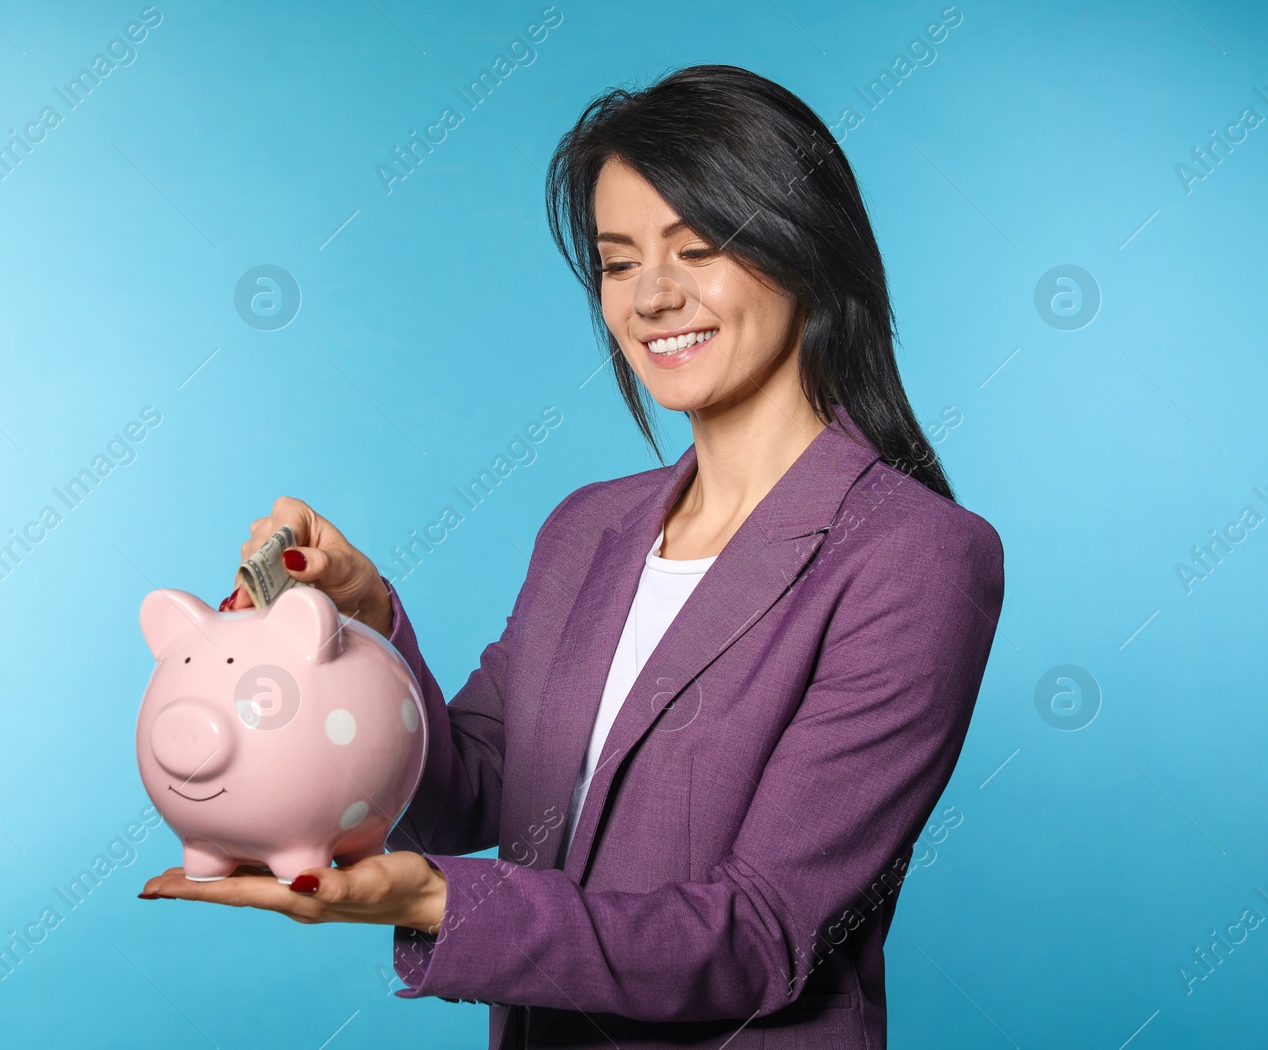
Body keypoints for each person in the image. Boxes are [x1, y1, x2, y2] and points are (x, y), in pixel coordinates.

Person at [141, 64, 1005, 1050]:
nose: (653, 297)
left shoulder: (916, 558)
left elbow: (761, 938)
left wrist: (435, 905)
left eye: (700, 248)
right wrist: (364, 627)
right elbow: (464, 787)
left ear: (803, 252)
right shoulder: (587, 528)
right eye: (619, 261)